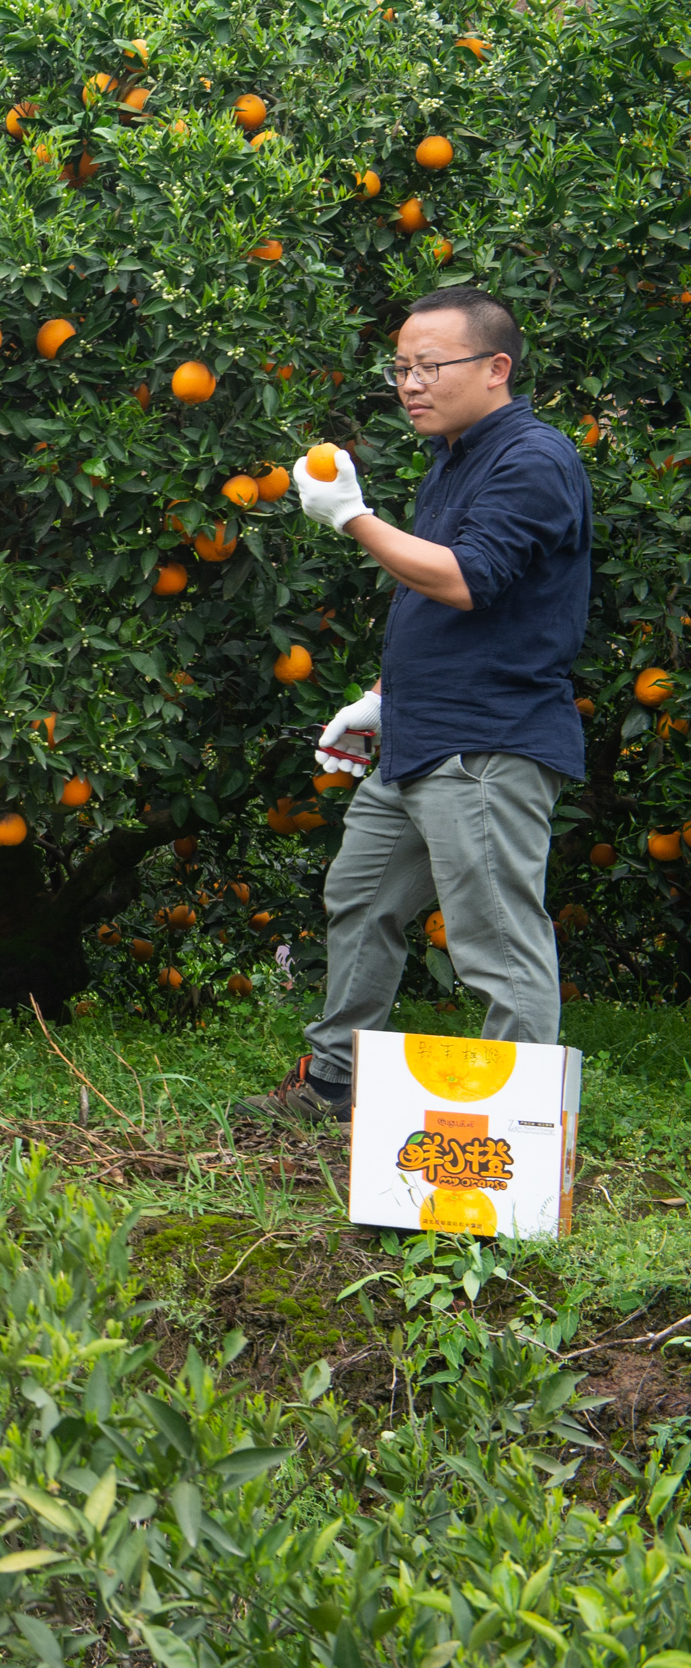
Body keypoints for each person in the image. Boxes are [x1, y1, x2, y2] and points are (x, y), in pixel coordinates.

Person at [238, 287, 592, 1125]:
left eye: (430, 365)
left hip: (487, 743)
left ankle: (518, 1133)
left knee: (497, 942)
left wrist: (354, 518)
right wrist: (381, 698)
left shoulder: (533, 460)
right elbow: (450, 604)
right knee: (360, 896)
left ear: (496, 368)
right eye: (401, 367)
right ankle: (334, 1083)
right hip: (423, 734)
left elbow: (467, 580)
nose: (410, 383)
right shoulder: (459, 457)